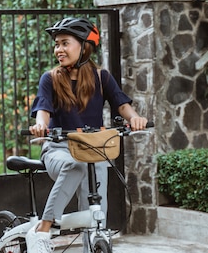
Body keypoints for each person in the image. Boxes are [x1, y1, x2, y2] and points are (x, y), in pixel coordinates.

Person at [25, 17, 148, 253]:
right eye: (56, 44)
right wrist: (40, 125)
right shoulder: (50, 79)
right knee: (76, 166)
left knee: (96, 219)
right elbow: (43, 111)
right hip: (59, 150)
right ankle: (43, 229)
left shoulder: (101, 78)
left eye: (64, 43)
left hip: (93, 150)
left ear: (84, 46)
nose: (58, 49)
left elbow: (122, 106)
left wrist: (135, 119)